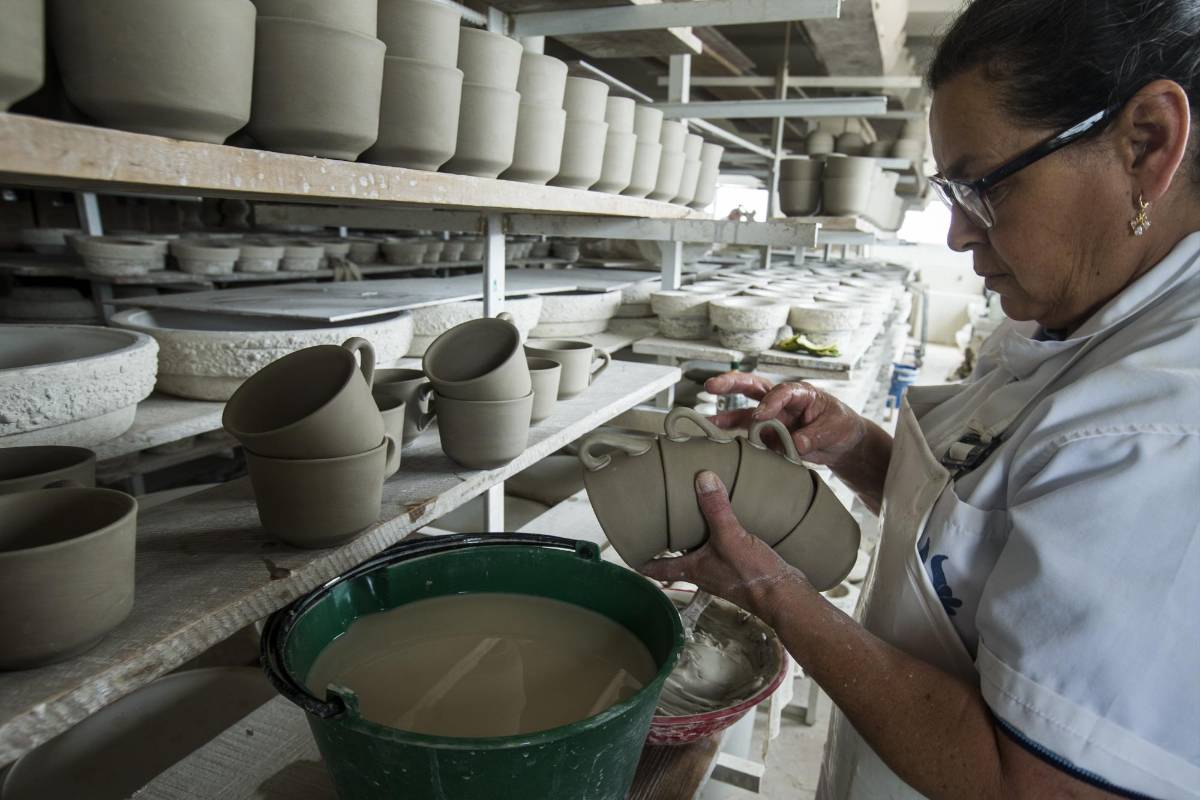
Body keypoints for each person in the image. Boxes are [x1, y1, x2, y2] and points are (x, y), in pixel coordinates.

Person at [640, 1, 1200, 797]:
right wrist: (858, 448)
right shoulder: (1085, 315)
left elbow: (1033, 783)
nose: (957, 235)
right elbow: (993, 536)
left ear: (1146, 142)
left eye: (983, 186)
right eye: (952, 191)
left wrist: (773, 595)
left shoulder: (1170, 429)